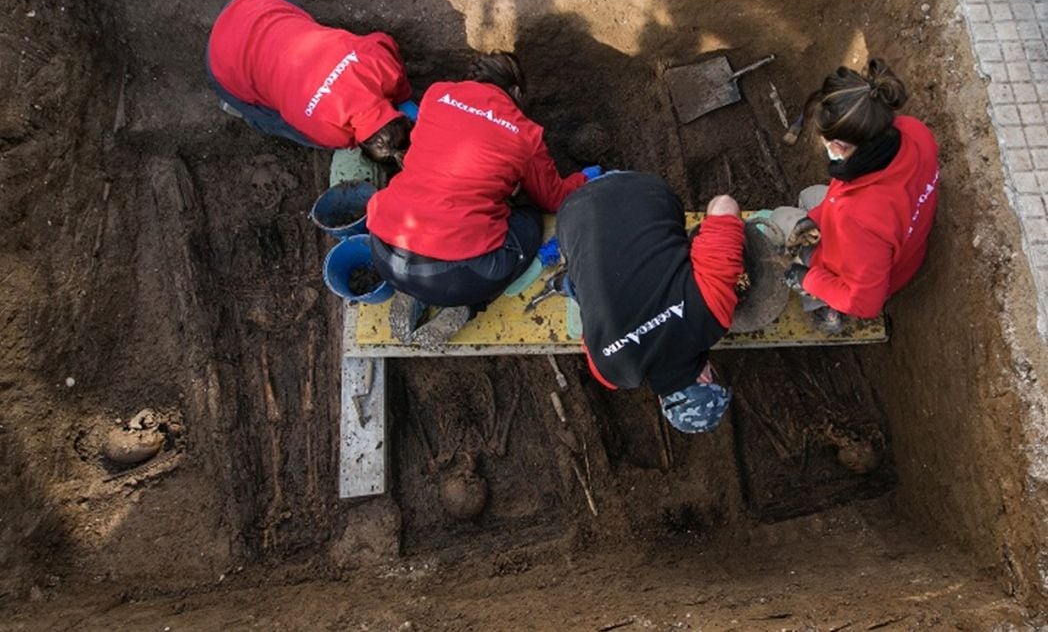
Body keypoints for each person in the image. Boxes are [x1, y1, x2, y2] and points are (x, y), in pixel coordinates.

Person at [365, 51, 595, 347]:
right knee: (528, 220)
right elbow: (552, 199)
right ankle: (468, 305)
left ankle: (411, 292)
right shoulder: (525, 134)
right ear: (515, 92)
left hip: (384, 251)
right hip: (457, 280)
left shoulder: (437, 95)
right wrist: (585, 178)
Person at [555, 172, 745, 434]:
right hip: (572, 215)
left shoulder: (711, 315)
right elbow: (590, 316)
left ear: (705, 377)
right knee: (581, 285)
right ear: (662, 399)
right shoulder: (609, 372)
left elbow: (724, 205)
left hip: (641, 188)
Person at [783, 58, 940, 331]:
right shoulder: (915, 132)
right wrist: (818, 218)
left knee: (786, 224)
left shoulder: (858, 217)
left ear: (840, 146)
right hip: (902, 252)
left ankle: (830, 310)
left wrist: (806, 278)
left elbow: (866, 304)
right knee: (812, 199)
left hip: (876, 276)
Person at [206, 0, 414, 164]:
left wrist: (402, 93)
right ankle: (243, 111)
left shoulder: (382, 65)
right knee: (282, 122)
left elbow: (383, 40)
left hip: (257, 6)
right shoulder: (327, 132)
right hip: (224, 62)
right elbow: (344, 140)